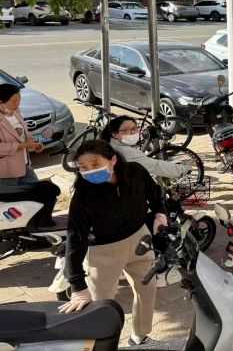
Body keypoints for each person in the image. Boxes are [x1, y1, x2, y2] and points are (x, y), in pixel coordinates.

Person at [60, 140, 166, 347]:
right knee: (100, 306)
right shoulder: (83, 193)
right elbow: (75, 236)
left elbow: (155, 193)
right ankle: (100, 346)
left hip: (140, 241)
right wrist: (77, 285)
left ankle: (140, 337)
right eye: (83, 167)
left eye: (95, 164)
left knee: (147, 291)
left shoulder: (135, 172)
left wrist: (160, 213)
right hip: (103, 252)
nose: (90, 171)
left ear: (113, 160)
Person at [0, 83, 58, 227]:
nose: (18, 104)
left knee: (41, 196)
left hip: (24, 167)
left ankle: (39, 226)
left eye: (19, 99)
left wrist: (33, 144)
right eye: (14, 100)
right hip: (3, 173)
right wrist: (22, 146)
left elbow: (24, 135)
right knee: (9, 211)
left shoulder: (16, 112)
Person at [100, 116, 189, 181]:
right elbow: (155, 166)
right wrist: (182, 170)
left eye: (134, 129)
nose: (132, 132)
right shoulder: (125, 152)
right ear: (114, 134)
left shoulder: (107, 144)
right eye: (126, 130)